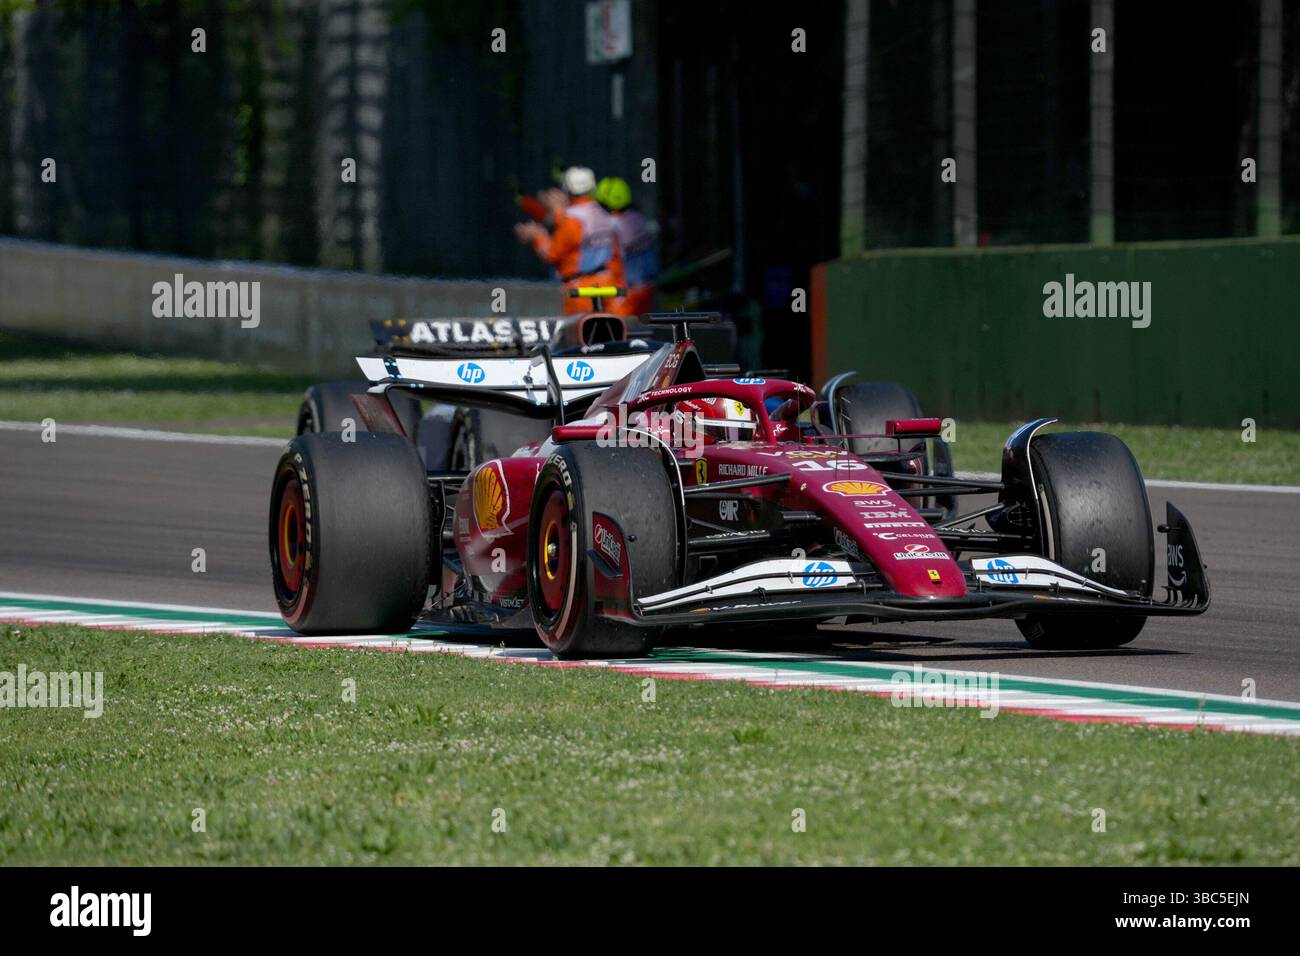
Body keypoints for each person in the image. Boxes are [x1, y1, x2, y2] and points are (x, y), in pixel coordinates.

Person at [514, 166, 624, 315]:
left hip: (581, 290)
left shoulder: (572, 220)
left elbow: (551, 254)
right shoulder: (602, 211)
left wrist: (537, 236)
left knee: (579, 335)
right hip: (606, 282)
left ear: (567, 190)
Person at [594, 176, 659, 317]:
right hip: (648, 286)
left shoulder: (613, 224)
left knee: (619, 330)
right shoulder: (638, 219)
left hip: (628, 290)